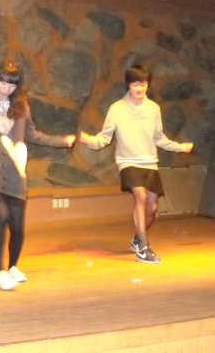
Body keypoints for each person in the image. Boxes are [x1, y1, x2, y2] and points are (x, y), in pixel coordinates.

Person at [0, 61, 76, 290]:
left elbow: (33, 135)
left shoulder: (21, 108)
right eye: (3, 81)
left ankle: (13, 266)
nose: (6, 87)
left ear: (18, 86)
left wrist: (62, 141)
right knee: (1, 215)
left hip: (16, 174)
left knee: (17, 226)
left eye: (12, 84)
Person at [79, 65, 193, 264]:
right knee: (140, 197)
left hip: (150, 162)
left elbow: (159, 138)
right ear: (128, 85)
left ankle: (137, 239)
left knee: (152, 208)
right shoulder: (117, 109)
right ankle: (143, 248)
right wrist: (90, 141)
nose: (139, 88)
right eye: (135, 84)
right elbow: (105, 137)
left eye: (143, 84)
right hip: (128, 161)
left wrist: (179, 147)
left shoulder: (153, 108)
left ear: (147, 85)